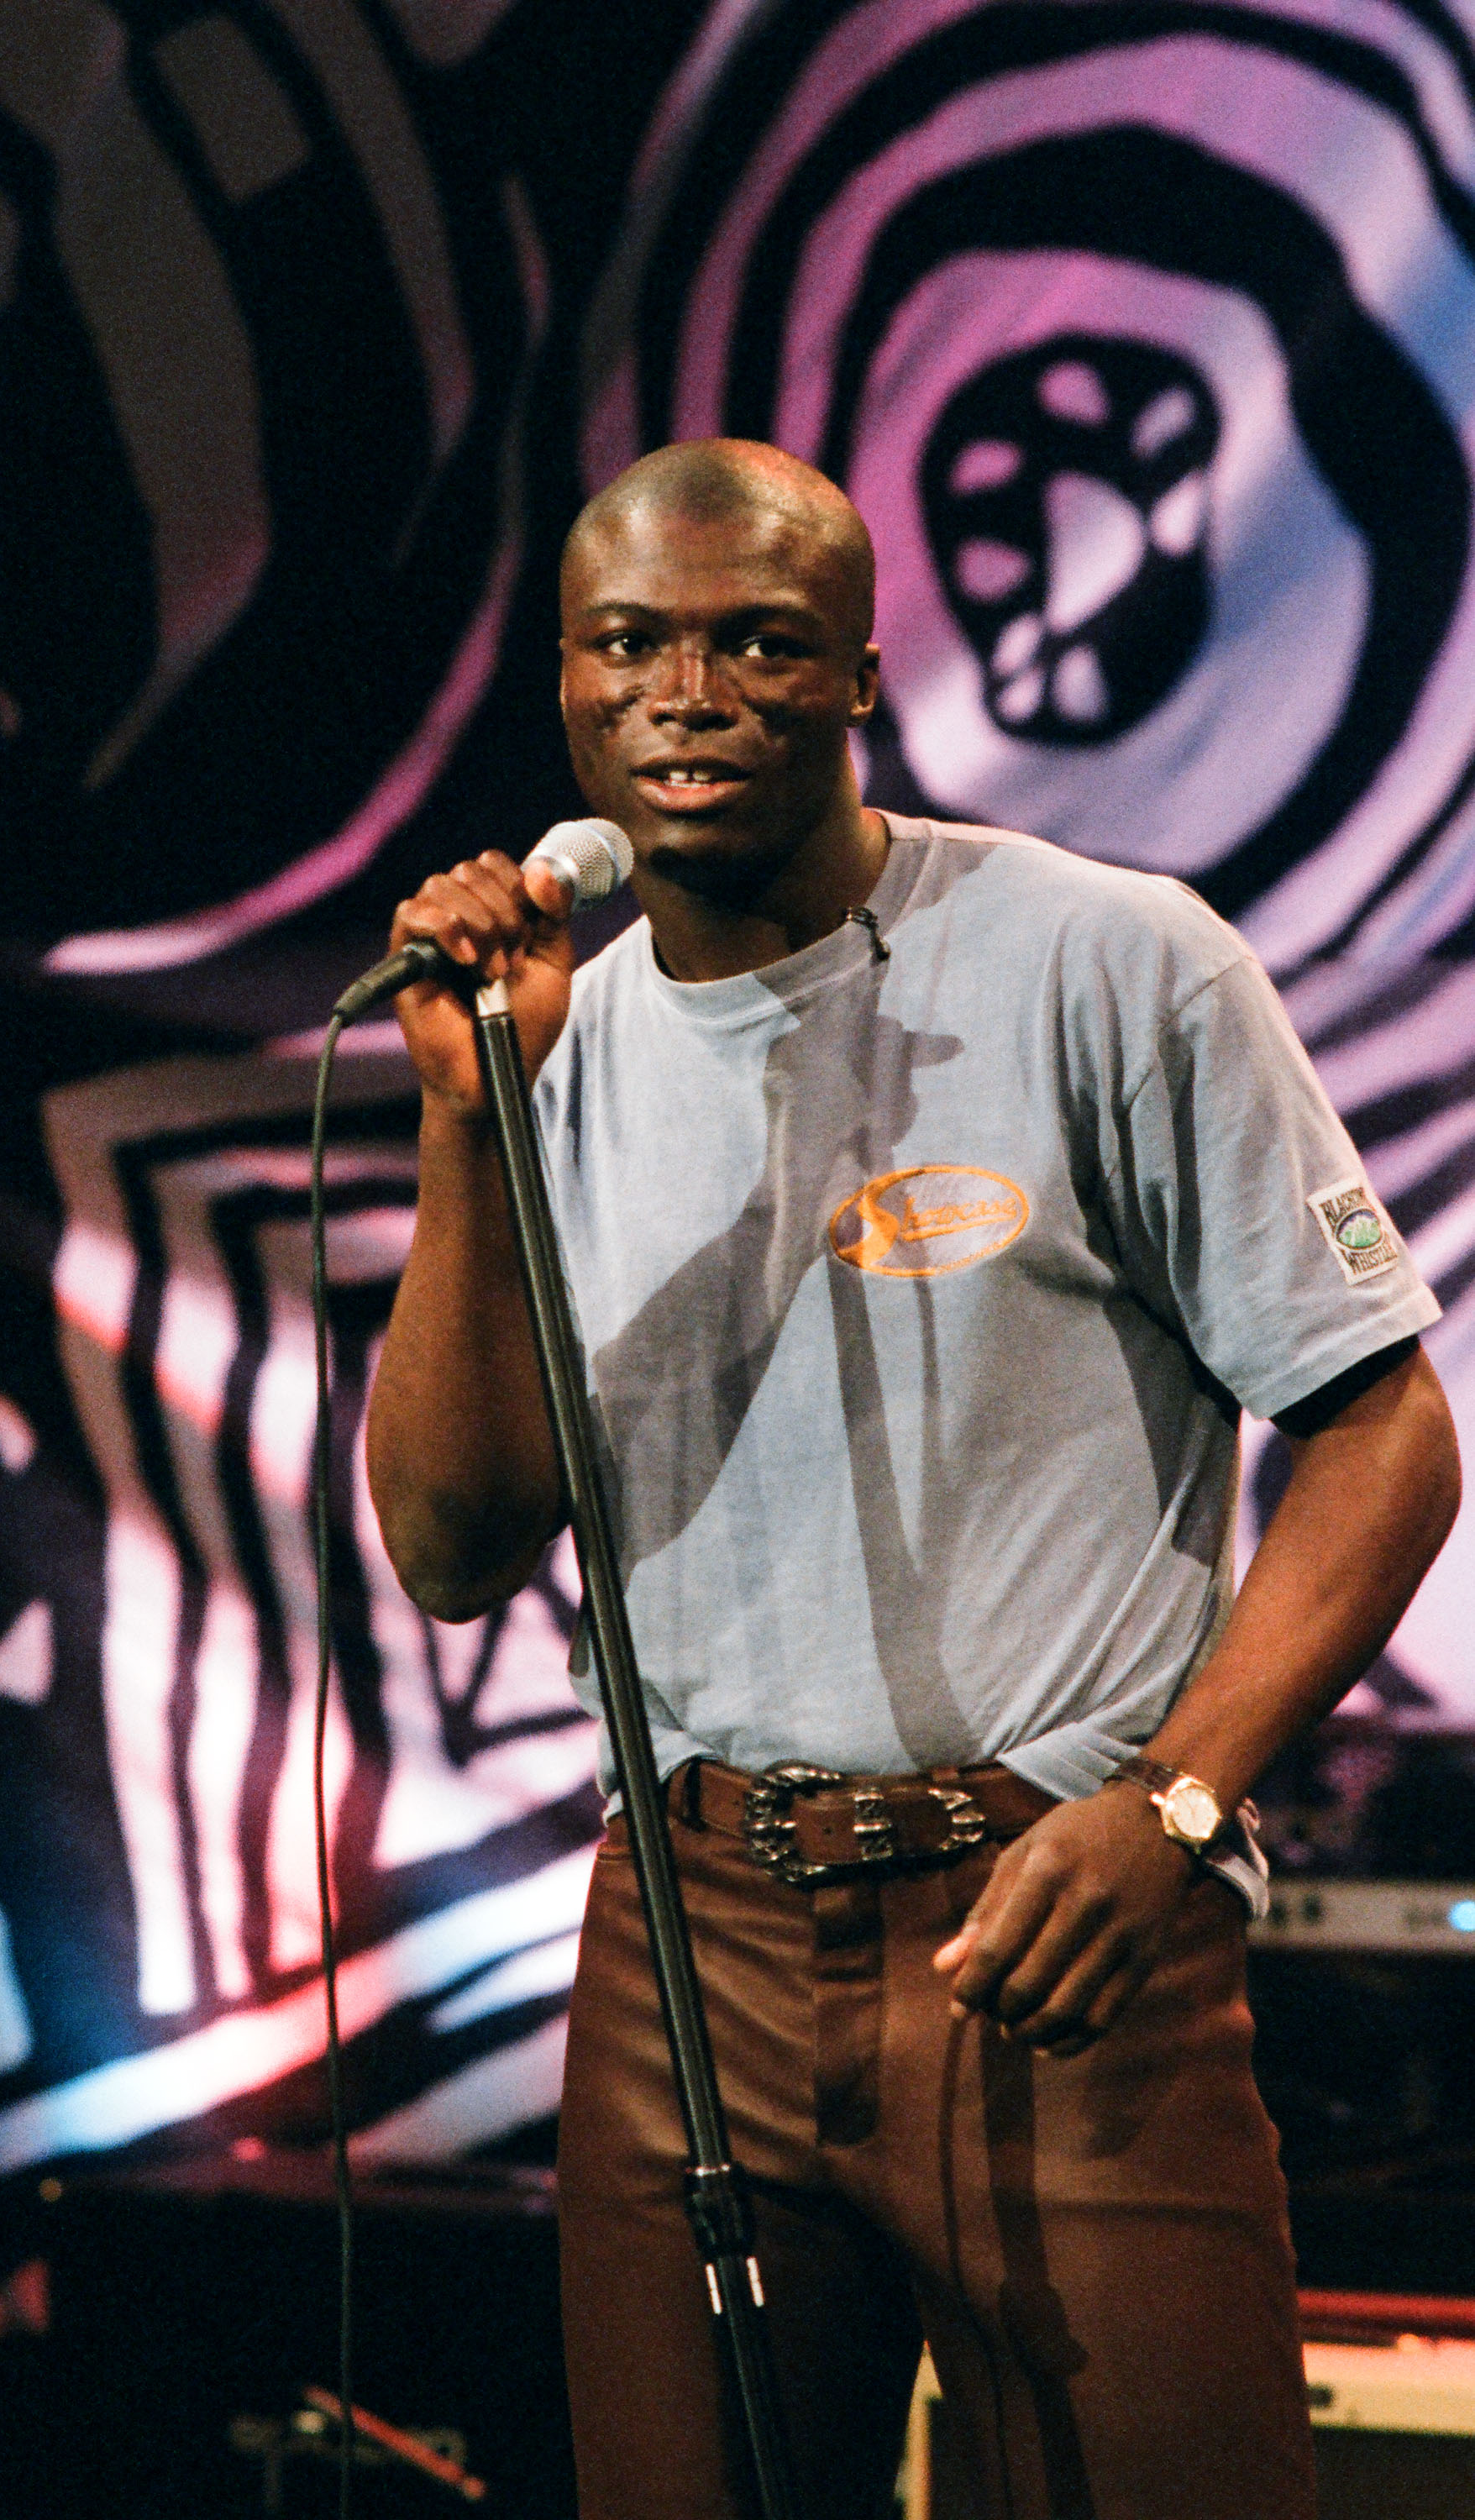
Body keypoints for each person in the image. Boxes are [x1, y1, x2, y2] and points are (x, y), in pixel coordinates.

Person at [365, 440, 1462, 2520]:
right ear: (567, 694)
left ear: (858, 677)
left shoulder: (1108, 961)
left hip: (1049, 1912)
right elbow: (445, 1545)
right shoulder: (553, 1044)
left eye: (754, 642)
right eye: (630, 648)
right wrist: (465, 1127)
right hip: (690, 1939)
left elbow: (1380, 1429)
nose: (686, 694)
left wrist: (1177, 1802)